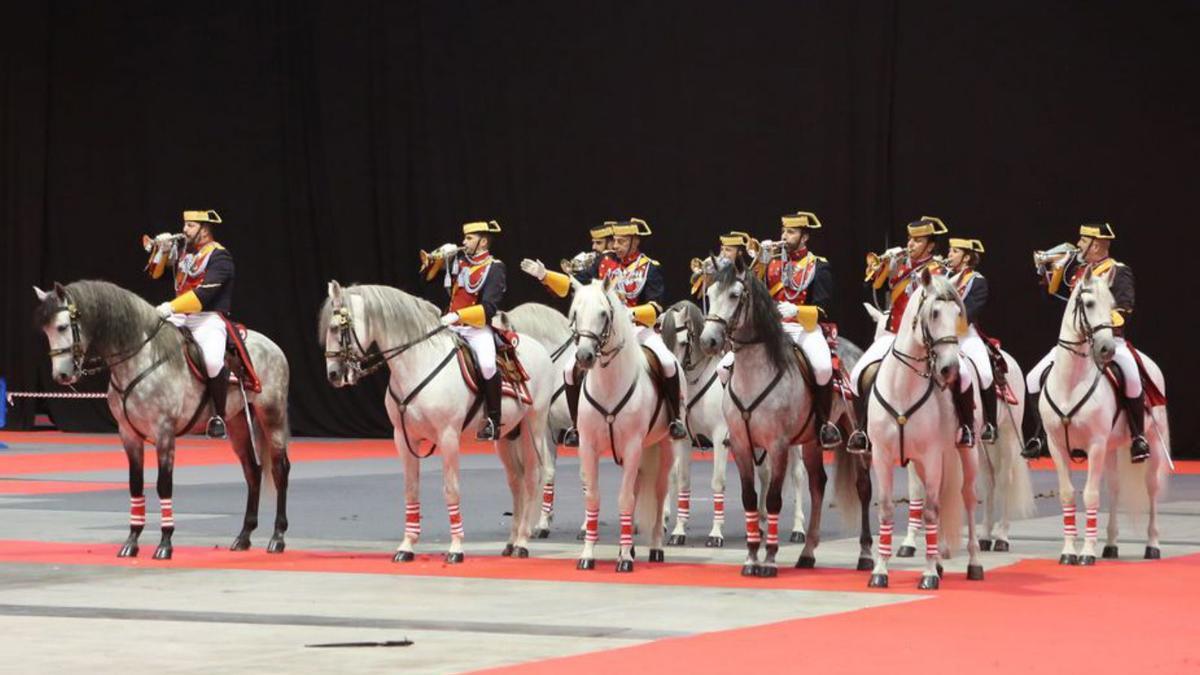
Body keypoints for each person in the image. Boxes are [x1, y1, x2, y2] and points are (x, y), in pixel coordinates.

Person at [523, 218, 687, 444]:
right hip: (606, 331)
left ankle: (675, 418)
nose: (616, 245)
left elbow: (656, 306)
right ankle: (575, 425)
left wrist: (632, 314)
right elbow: (573, 285)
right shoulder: (603, 262)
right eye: (615, 241)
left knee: (667, 362)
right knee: (570, 370)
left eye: (621, 241)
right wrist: (545, 275)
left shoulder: (650, 267)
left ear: (635, 241)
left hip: (638, 328)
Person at [846, 216, 976, 451]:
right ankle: (862, 431)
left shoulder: (940, 271)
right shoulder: (899, 264)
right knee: (857, 375)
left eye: (918, 240)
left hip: (928, 339)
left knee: (964, 375)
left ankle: (966, 426)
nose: (911, 244)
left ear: (930, 245)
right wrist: (883, 265)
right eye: (910, 239)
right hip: (894, 335)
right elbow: (874, 286)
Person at [1021, 223, 1147, 463]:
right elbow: (1062, 300)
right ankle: (1040, 435)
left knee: (1131, 376)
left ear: (1096, 244)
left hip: (1108, 338)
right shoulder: (1080, 272)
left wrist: (1100, 324)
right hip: (1076, 344)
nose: (1078, 244)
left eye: (1083, 240)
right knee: (1033, 377)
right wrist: (1051, 272)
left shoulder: (1118, 271)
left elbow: (1124, 306)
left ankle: (1137, 436)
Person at [154, 209, 234, 439]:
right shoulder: (185, 253)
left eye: (189, 226)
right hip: (181, 313)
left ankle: (218, 416)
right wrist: (161, 250)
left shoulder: (220, 256)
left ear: (204, 229)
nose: (184, 230)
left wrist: (170, 307)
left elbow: (203, 295)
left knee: (211, 360)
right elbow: (155, 273)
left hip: (207, 316)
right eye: (185, 225)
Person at [430, 220, 507, 441]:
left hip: (476, 328)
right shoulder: (459, 261)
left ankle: (493, 420)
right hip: (451, 325)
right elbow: (427, 277)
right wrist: (437, 259)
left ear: (483, 242)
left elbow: (490, 308)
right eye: (464, 238)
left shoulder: (495, 267)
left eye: (469, 238)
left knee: (487, 364)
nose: (463, 242)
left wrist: (460, 316)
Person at [947, 237, 998, 443]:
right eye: (950, 251)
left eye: (954, 252)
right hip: (941, 337)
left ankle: (991, 424)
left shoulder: (977, 281)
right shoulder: (943, 277)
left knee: (985, 373)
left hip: (965, 336)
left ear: (967, 257)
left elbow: (969, 312)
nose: (949, 255)